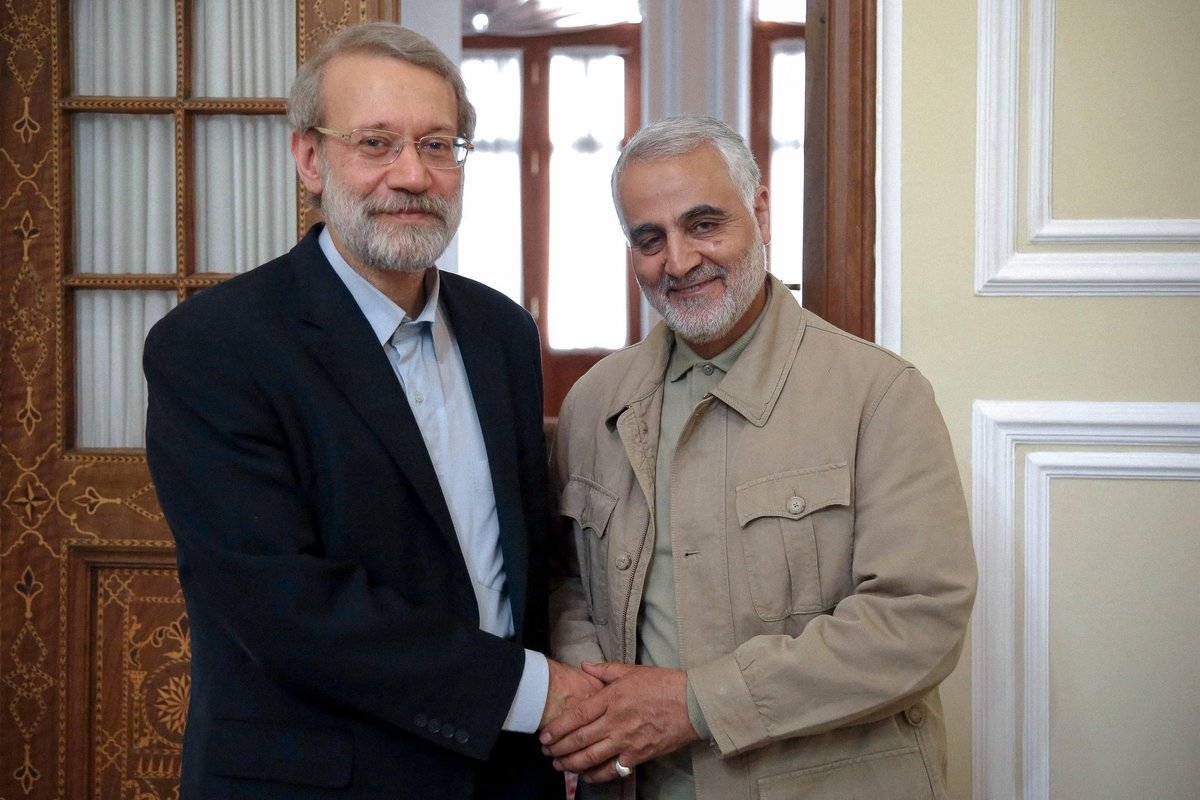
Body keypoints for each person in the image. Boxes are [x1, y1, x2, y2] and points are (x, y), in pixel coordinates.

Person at [144, 22, 597, 800]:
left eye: (438, 145)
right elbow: (283, 607)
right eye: (376, 143)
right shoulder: (213, 346)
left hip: (509, 772)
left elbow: (520, 563)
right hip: (321, 781)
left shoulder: (503, 334)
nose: (412, 174)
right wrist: (535, 692)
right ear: (310, 160)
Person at [540, 115, 977, 799]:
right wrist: (590, 694)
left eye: (704, 224)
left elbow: (919, 621)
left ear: (761, 212)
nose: (678, 262)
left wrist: (695, 705)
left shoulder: (879, 395)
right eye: (649, 239)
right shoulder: (593, 403)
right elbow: (564, 582)